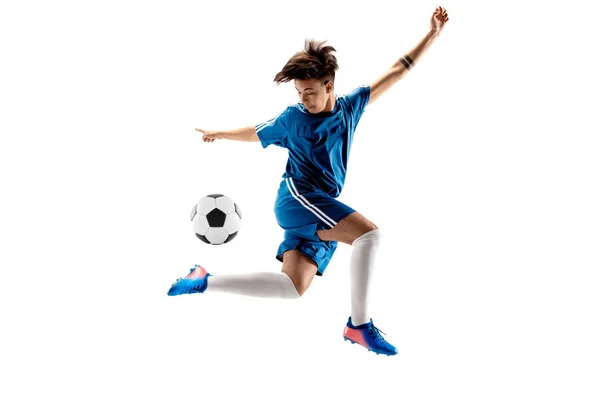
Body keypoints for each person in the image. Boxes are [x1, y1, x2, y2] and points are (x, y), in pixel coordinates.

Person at [168, 6, 449, 356]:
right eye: (299, 93)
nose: (303, 99)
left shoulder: (350, 108)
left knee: (291, 287)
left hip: (313, 209)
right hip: (298, 199)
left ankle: (202, 281)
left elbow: (396, 71)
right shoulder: (293, 119)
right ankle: (359, 326)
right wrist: (220, 133)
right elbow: (255, 132)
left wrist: (433, 34)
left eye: (310, 92)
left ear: (329, 86)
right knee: (369, 235)